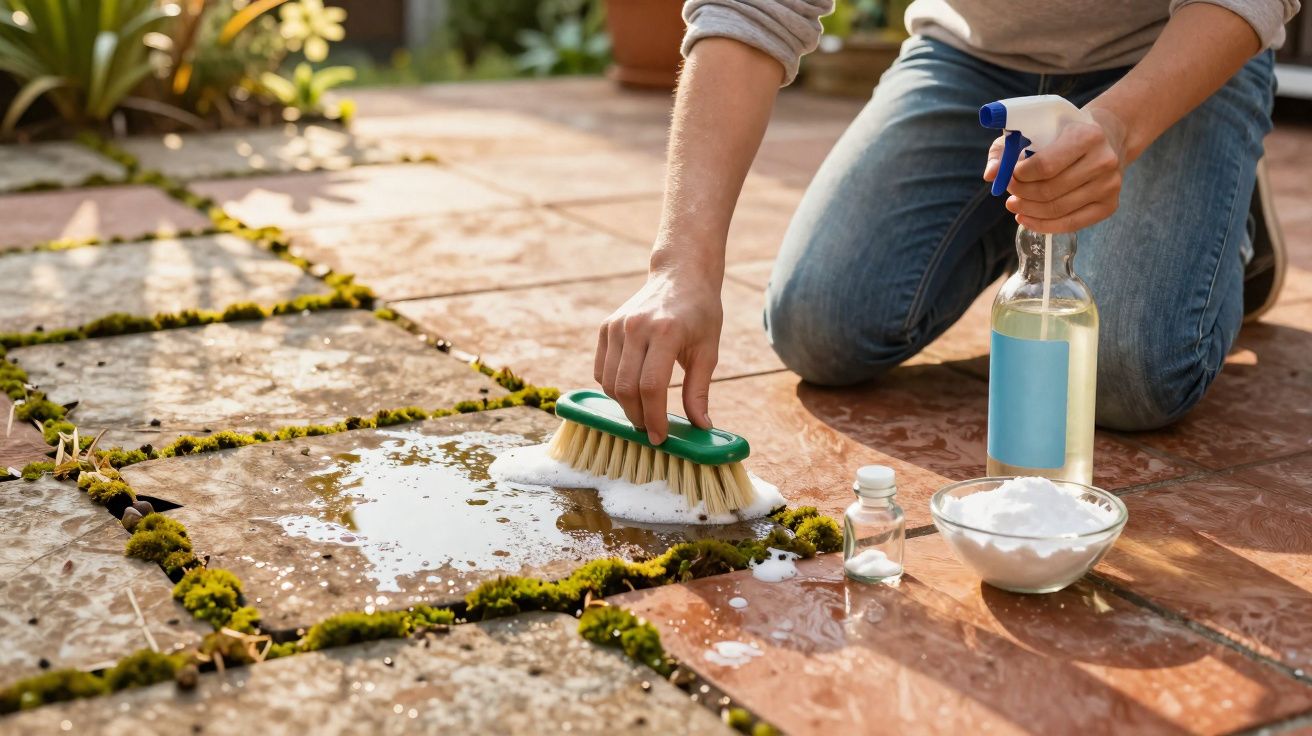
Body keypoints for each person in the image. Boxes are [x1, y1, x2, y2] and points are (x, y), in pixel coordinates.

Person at [593, 0, 1299, 444]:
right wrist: (679, 264)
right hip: (974, 58)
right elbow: (751, 9)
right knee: (819, 326)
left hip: (1175, 49)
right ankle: (1024, 193)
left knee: (1127, 377)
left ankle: (1226, 214)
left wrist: (1117, 129)